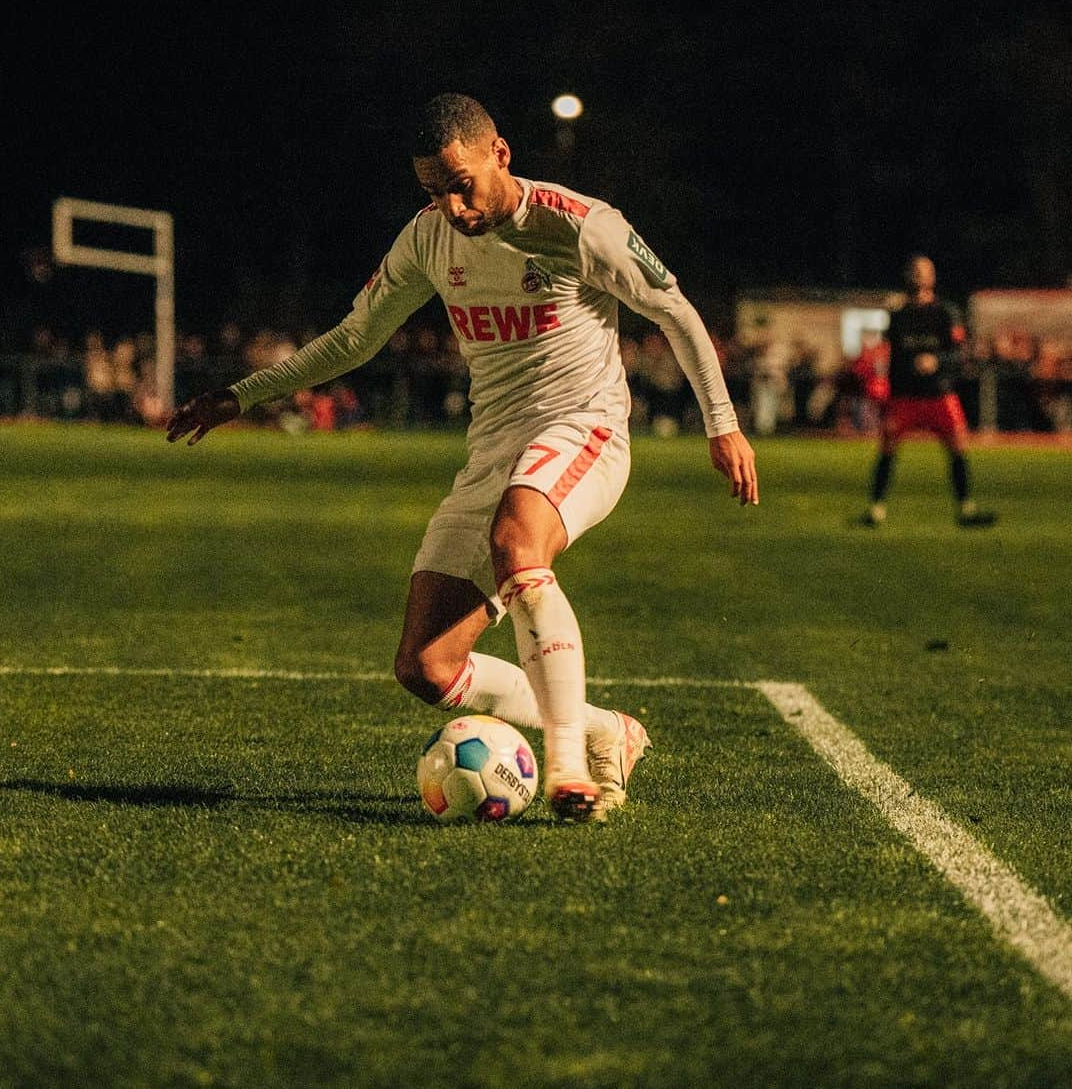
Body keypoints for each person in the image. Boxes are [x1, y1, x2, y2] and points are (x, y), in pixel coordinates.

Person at [166, 93, 758, 822]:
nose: (450, 206)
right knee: (426, 665)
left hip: (584, 428)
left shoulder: (579, 226)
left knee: (517, 542)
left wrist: (721, 424)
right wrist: (246, 394)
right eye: (431, 191)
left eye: (459, 184)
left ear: (499, 154)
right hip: (494, 451)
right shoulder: (427, 241)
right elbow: (355, 339)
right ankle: (608, 730)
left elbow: (675, 310)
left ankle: (568, 766)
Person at [862, 254, 995, 528]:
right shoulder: (897, 316)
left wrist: (937, 361)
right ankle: (875, 509)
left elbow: (960, 353)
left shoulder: (945, 313)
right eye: (914, 270)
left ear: (932, 277)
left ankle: (966, 509)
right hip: (905, 396)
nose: (918, 275)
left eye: (923, 270)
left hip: (938, 394)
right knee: (887, 447)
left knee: (958, 446)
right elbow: (889, 356)